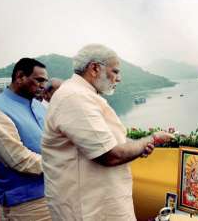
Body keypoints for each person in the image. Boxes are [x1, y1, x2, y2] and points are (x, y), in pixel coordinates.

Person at [41, 44, 174, 221]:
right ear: (95, 68)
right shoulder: (75, 97)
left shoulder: (82, 94)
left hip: (97, 204)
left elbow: (109, 140)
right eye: (115, 71)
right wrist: (152, 138)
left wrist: (138, 147)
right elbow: (110, 155)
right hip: (87, 209)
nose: (118, 79)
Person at [0, 58, 51, 220]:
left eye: (45, 81)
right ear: (20, 76)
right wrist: (63, 163)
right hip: (26, 204)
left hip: (54, 192)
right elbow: (19, 160)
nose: (43, 85)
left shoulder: (39, 106)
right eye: (39, 80)